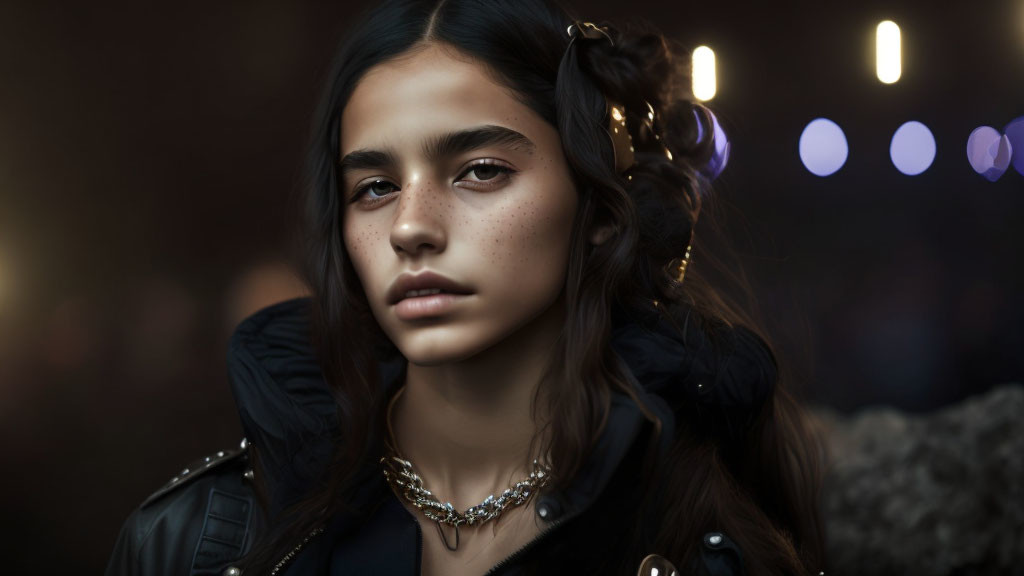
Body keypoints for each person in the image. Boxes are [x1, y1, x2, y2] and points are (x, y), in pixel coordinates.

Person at [106, 0, 827, 574]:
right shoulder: (193, 542)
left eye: (480, 170)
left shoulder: (706, 539)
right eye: (376, 186)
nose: (410, 227)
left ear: (600, 207)